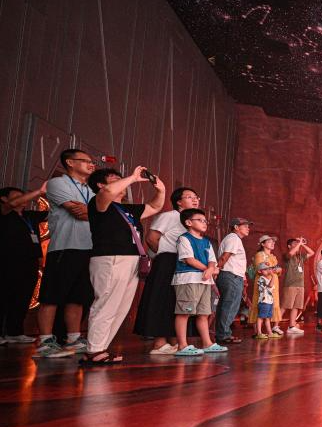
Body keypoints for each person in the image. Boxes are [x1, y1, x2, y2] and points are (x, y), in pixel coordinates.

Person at [81, 166, 166, 365]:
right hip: (110, 258)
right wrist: (133, 177)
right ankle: (94, 350)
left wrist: (161, 190)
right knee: (106, 303)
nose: (122, 182)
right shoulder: (99, 202)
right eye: (115, 178)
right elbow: (108, 191)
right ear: (100, 184)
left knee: (121, 307)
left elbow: (154, 207)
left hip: (131, 259)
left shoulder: (127, 209)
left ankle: (100, 348)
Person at [34, 149, 97, 358]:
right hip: (64, 246)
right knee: (51, 296)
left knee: (78, 297)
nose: (91, 164)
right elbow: (76, 211)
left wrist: (90, 211)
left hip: (88, 248)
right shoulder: (58, 183)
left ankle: (73, 337)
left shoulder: (89, 189)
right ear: (70, 162)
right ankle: (45, 341)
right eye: (85, 160)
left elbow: (97, 213)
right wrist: (93, 212)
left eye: (92, 162)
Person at [133, 187, 200, 354]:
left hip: (182, 263)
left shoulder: (191, 220)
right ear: (179, 202)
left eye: (196, 197)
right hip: (168, 260)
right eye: (189, 197)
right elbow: (151, 238)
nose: (195, 199)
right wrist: (164, 257)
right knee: (161, 299)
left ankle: (173, 341)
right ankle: (159, 343)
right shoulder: (170, 216)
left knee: (175, 301)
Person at [171, 208, 226, 356]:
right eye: (200, 220)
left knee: (204, 313)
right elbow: (189, 259)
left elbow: (212, 261)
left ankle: (207, 343)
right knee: (184, 312)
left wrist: (210, 269)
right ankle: (182, 345)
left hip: (204, 281)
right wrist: (208, 270)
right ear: (189, 222)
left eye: (205, 221)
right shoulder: (184, 239)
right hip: (188, 279)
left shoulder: (207, 242)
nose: (204, 223)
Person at [0, 183, 48, 344]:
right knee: (4, 296)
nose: (23, 199)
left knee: (23, 297)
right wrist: (39, 191)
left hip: (30, 264)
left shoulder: (29, 216)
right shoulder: (5, 212)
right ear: (4, 199)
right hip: (7, 263)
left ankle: (15, 332)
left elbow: (53, 214)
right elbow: (11, 204)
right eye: (18, 196)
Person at [215, 218, 252, 344]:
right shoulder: (234, 238)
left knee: (226, 305)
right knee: (230, 305)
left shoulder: (233, 239)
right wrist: (216, 271)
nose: (248, 228)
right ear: (236, 227)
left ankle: (222, 333)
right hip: (231, 276)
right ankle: (224, 334)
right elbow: (224, 257)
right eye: (245, 226)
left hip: (231, 276)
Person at [248, 236, 281, 335]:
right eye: (269, 242)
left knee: (270, 304)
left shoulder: (273, 256)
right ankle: (257, 331)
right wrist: (275, 269)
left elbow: (278, 270)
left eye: (273, 242)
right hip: (263, 284)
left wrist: (277, 270)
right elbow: (262, 269)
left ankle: (269, 331)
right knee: (261, 304)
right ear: (263, 244)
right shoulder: (259, 255)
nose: (272, 243)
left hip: (273, 283)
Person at [281, 237, 313, 335]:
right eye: (294, 243)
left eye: (297, 243)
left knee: (296, 306)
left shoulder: (300, 256)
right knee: (285, 306)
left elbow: (312, 253)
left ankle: (292, 326)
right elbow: (290, 254)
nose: (297, 244)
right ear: (289, 246)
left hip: (300, 285)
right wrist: (299, 244)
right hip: (290, 284)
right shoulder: (287, 255)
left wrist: (302, 244)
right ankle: (275, 326)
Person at [253, 262, 278, 339]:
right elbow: (270, 286)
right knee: (261, 317)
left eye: (268, 269)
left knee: (268, 318)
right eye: (265, 269)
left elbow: (271, 289)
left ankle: (270, 332)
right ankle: (259, 333)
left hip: (269, 301)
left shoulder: (268, 279)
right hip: (264, 302)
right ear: (260, 271)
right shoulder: (261, 279)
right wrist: (273, 276)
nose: (267, 271)